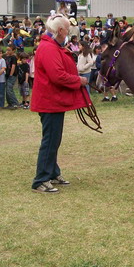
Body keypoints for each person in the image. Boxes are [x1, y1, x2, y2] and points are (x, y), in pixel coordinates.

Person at [31, 13, 90, 194]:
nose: (69, 31)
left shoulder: (51, 46)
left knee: (54, 140)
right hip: (50, 101)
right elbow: (57, 76)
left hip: (53, 101)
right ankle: (41, 179)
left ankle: (52, 172)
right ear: (61, 30)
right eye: (67, 28)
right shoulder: (48, 48)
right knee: (50, 140)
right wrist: (77, 81)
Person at [4, 45, 19, 109]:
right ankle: (10, 103)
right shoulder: (7, 57)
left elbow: (13, 66)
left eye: (9, 50)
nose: (7, 51)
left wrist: (11, 74)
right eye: (7, 50)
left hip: (12, 75)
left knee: (9, 89)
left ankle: (15, 103)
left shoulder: (13, 57)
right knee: (7, 89)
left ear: (13, 51)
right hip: (7, 74)